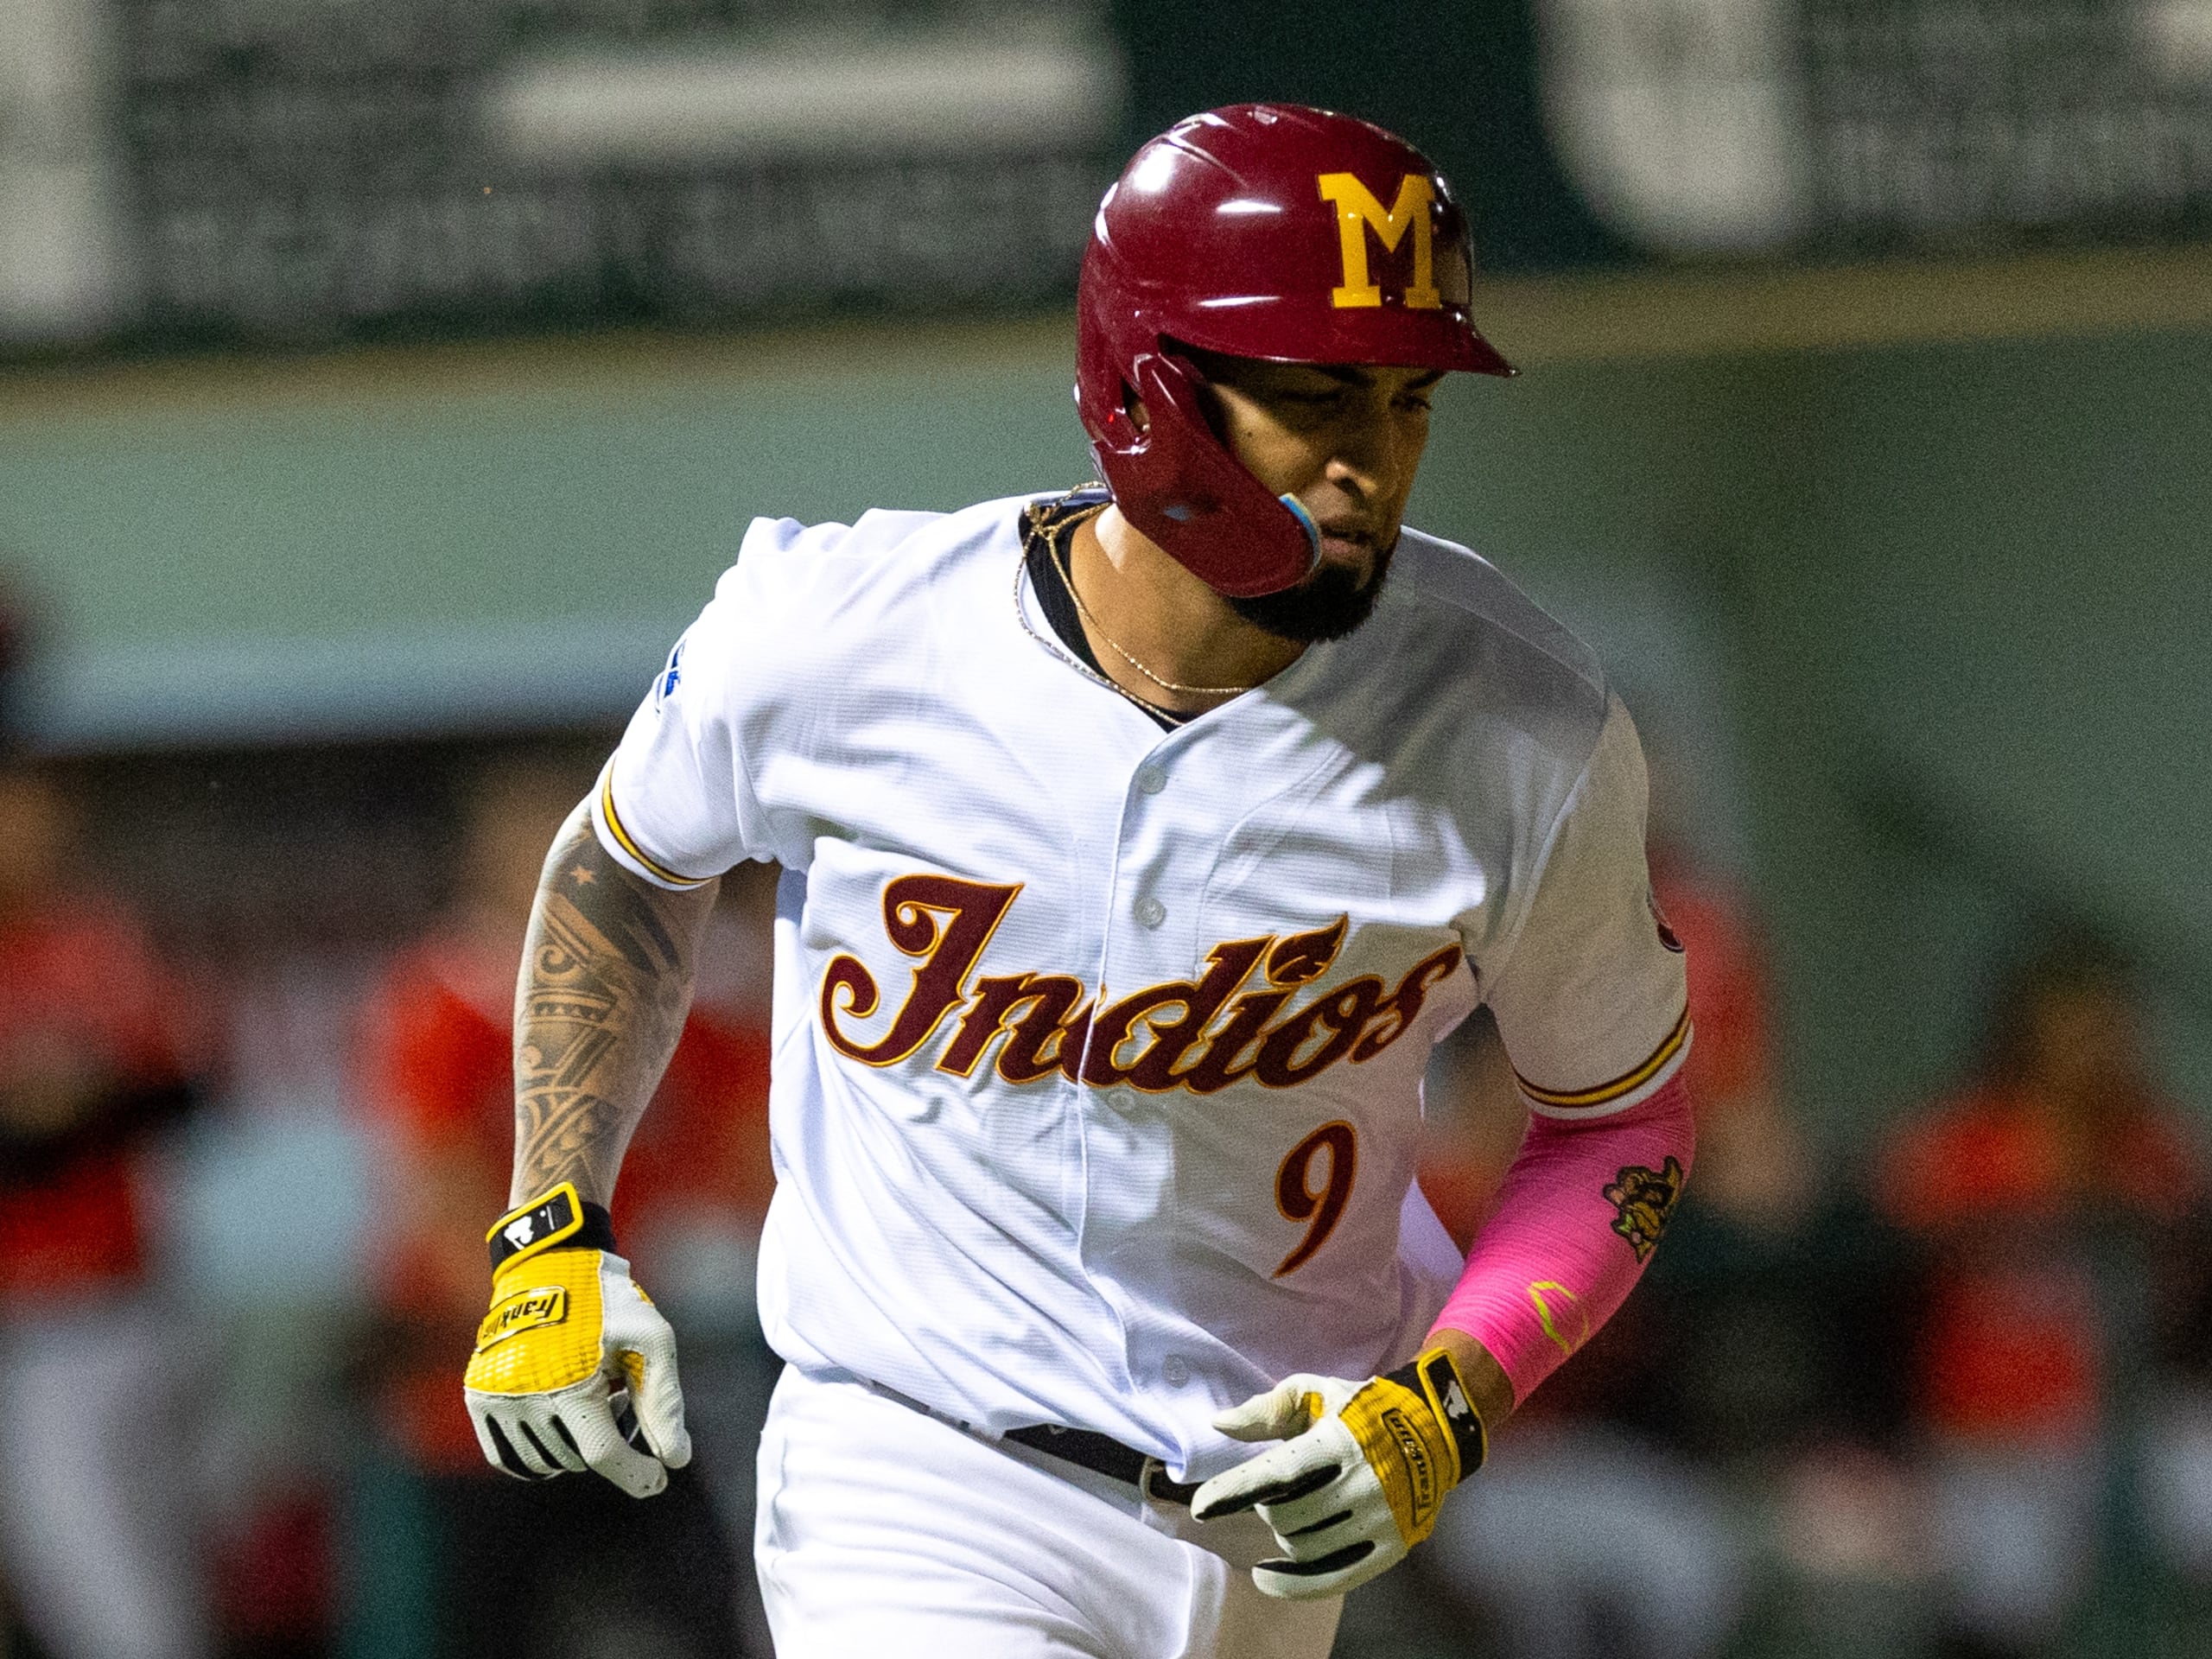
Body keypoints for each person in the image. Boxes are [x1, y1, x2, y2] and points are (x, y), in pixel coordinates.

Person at [458, 105, 1696, 1656]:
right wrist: (550, 1230)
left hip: (1272, 1518)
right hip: (915, 1471)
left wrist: (1449, 1402)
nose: (1368, 461)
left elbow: (1616, 1125)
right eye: (1311, 398)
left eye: (1402, 402)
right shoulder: (846, 636)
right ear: (1146, 389)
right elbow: (624, 872)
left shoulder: (1520, 723)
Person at [355, 757, 767, 1657]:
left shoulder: (656, 986)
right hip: (496, 1386)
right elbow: (442, 1193)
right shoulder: (445, 1000)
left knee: (701, 1614)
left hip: (644, 1375)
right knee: (498, 1624)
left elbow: (744, 1149)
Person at [1878, 932, 2205, 1656]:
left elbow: (2185, 1283)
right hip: (1983, 1437)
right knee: (2005, 1576)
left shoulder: (2153, 1145)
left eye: (2107, 1024)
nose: (2093, 1044)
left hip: (2123, 1428)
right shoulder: (1960, 1140)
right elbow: (1897, 1246)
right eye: (2071, 1023)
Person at [0, 753, 209, 1659]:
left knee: (110, 1577)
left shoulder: (97, 941)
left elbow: (187, 1087)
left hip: (102, 1308)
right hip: (32, 1317)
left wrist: (74, 1101)